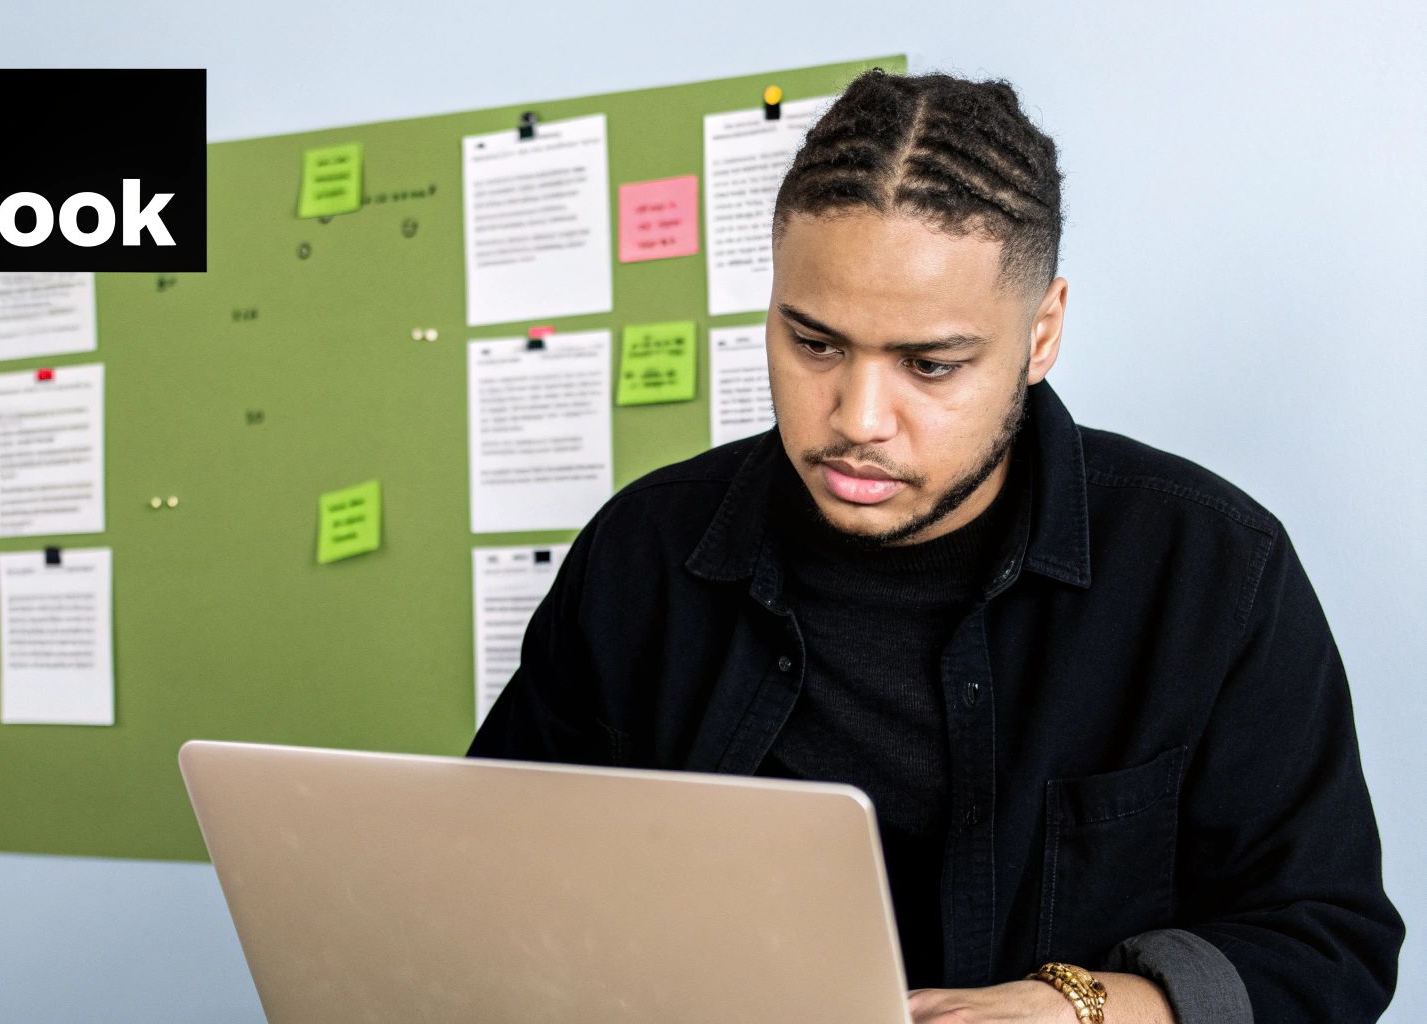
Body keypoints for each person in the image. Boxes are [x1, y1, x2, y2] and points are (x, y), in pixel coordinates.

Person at [467, 68, 1402, 1023]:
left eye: (931, 365)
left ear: (1041, 336)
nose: (858, 419)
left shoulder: (1211, 568)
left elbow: (1330, 941)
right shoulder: (643, 554)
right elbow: (485, 884)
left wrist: (1078, 1007)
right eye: (814, 344)